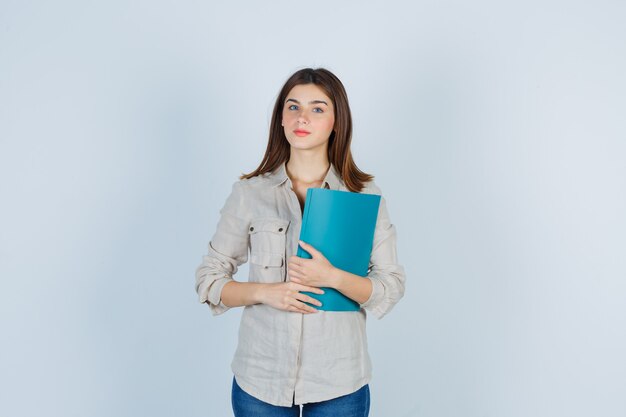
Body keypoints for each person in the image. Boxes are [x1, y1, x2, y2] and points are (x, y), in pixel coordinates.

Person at [195, 67, 405, 417]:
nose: (302, 117)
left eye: (317, 108)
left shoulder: (364, 196)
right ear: (280, 118)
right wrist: (265, 292)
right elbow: (209, 279)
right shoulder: (249, 193)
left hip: (340, 381)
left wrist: (332, 277)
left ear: (338, 121)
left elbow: (391, 286)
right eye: (292, 107)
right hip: (260, 378)